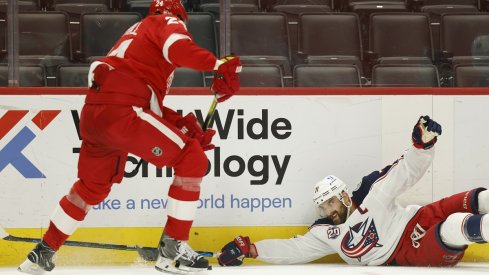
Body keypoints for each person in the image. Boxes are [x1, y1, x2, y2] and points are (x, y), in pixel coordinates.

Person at [18, 0, 241, 274]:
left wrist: (185, 128)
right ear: (180, 16)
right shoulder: (165, 22)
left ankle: (43, 252)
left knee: (90, 188)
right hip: (124, 111)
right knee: (192, 159)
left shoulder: (135, 34)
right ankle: (172, 251)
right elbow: (177, 49)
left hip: (96, 114)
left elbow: (141, 97)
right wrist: (216, 64)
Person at [217, 115, 489, 267]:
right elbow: (293, 249)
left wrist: (422, 147)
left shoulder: (372, 192)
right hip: (406, 252)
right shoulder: (325, 232)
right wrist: (252, 249)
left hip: (418, 219)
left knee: (475, 198)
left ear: (345, 196)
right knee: (455, 225)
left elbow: (406, 172)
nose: (326, 210)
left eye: (330, 203)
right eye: (322, 206)